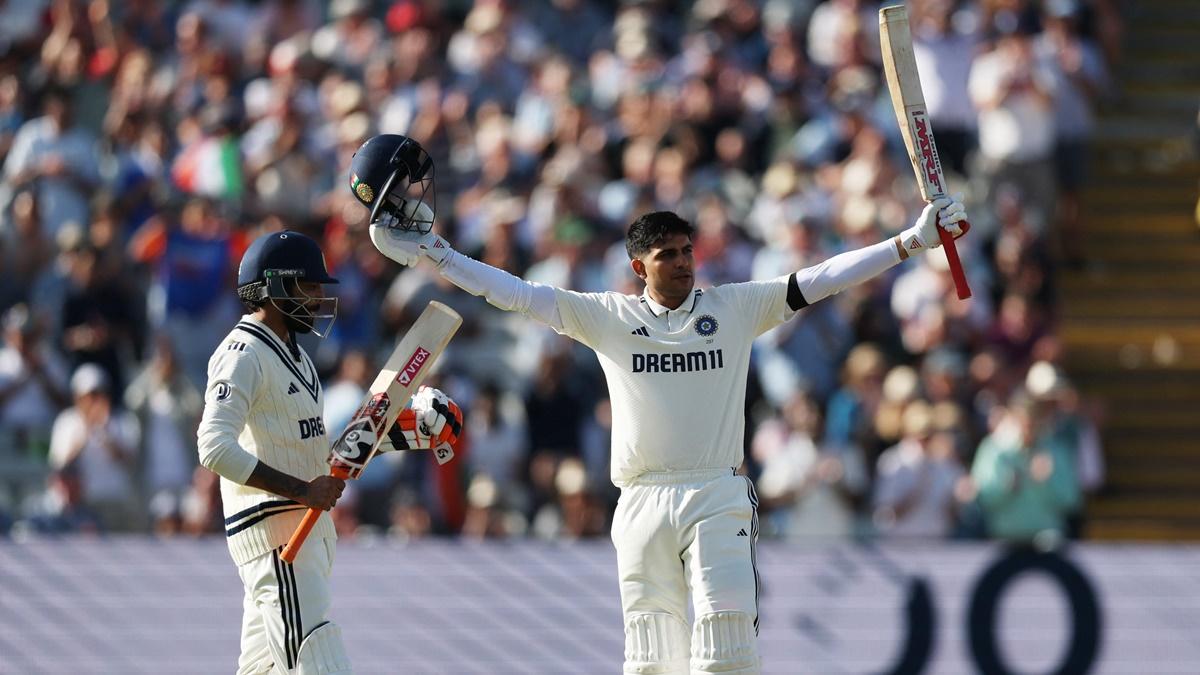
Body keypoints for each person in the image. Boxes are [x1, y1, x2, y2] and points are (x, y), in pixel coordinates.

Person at [355, 133, 968, 673]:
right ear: (637, 266)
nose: (681, 263)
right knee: (651, 663)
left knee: (726, 653)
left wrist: (910, 243)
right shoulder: (609, 318)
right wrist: (437, 254)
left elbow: (823, 277)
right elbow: (513, 294)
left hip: (715, 491)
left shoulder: (733, 307)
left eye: (686, 251)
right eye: (666, 255)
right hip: (642, 498)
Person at [195, 229, 462, 674]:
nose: (319, 297)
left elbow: (323, 459)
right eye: (310, 285)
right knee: (316, 663)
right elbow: (213, 447)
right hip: (280, 539)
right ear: (276, 285)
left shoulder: (297, 357)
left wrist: (408, 433)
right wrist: (301, 491)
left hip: (300, 533)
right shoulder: (242, 353)